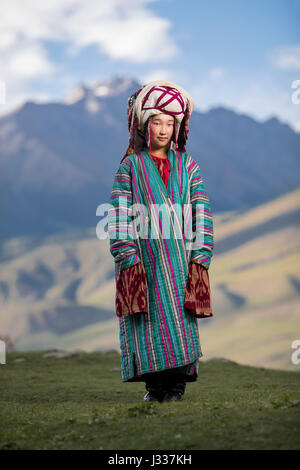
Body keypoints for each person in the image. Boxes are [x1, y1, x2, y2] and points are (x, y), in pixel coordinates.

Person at [108, 80, 214, 402]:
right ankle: (154, 388)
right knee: (147, 323)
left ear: (177, 127)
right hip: (142, 260)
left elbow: (202, 214)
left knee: (180, 322)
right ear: (145, 124)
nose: (164, 129)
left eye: (171, 123)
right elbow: (118, 215)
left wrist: (201, 256)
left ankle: (177, 387)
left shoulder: (189, 166)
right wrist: (127, 257)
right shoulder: (130, 167)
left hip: (181, 262)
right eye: (158, 122)